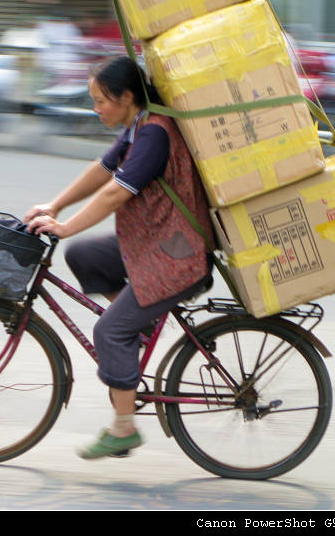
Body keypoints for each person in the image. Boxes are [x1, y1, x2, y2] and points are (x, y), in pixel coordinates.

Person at [24, 55, 214, 459]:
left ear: (127, 96)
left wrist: (65, 225)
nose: (96, 110)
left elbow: (115, 192)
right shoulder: (138, 126)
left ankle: (123, 428)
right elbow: (103, 169)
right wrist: (54, 206)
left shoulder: (155, 134)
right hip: (153, 244)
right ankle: (138, 331)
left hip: (177, 255)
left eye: (101, 101)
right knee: (85, 255)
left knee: (109, 331)